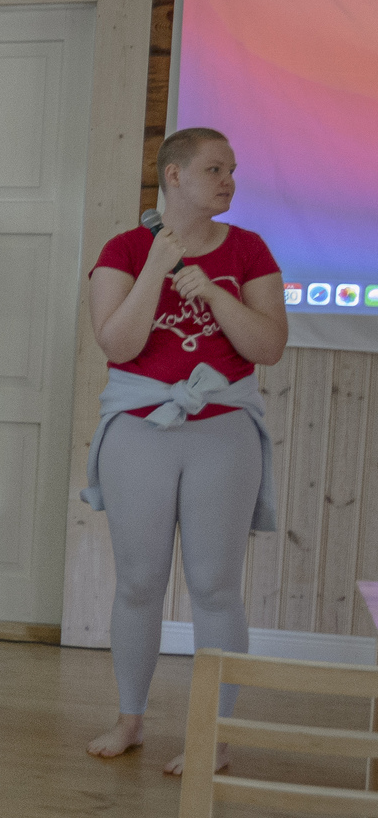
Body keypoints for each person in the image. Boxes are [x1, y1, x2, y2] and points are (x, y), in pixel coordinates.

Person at [81, 127, 285, 773]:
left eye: (232, 169)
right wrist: (157, 269)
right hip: (139, 428)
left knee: (216, 587)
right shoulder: (124, 248)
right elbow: (118, 345)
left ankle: (213, 736)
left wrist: (216, 292)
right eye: (215, 169)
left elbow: (268, 346)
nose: (229, 181)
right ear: (174, 175)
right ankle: (130, 717)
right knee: (140, 581)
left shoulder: (249, 249)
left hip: (223, 429)